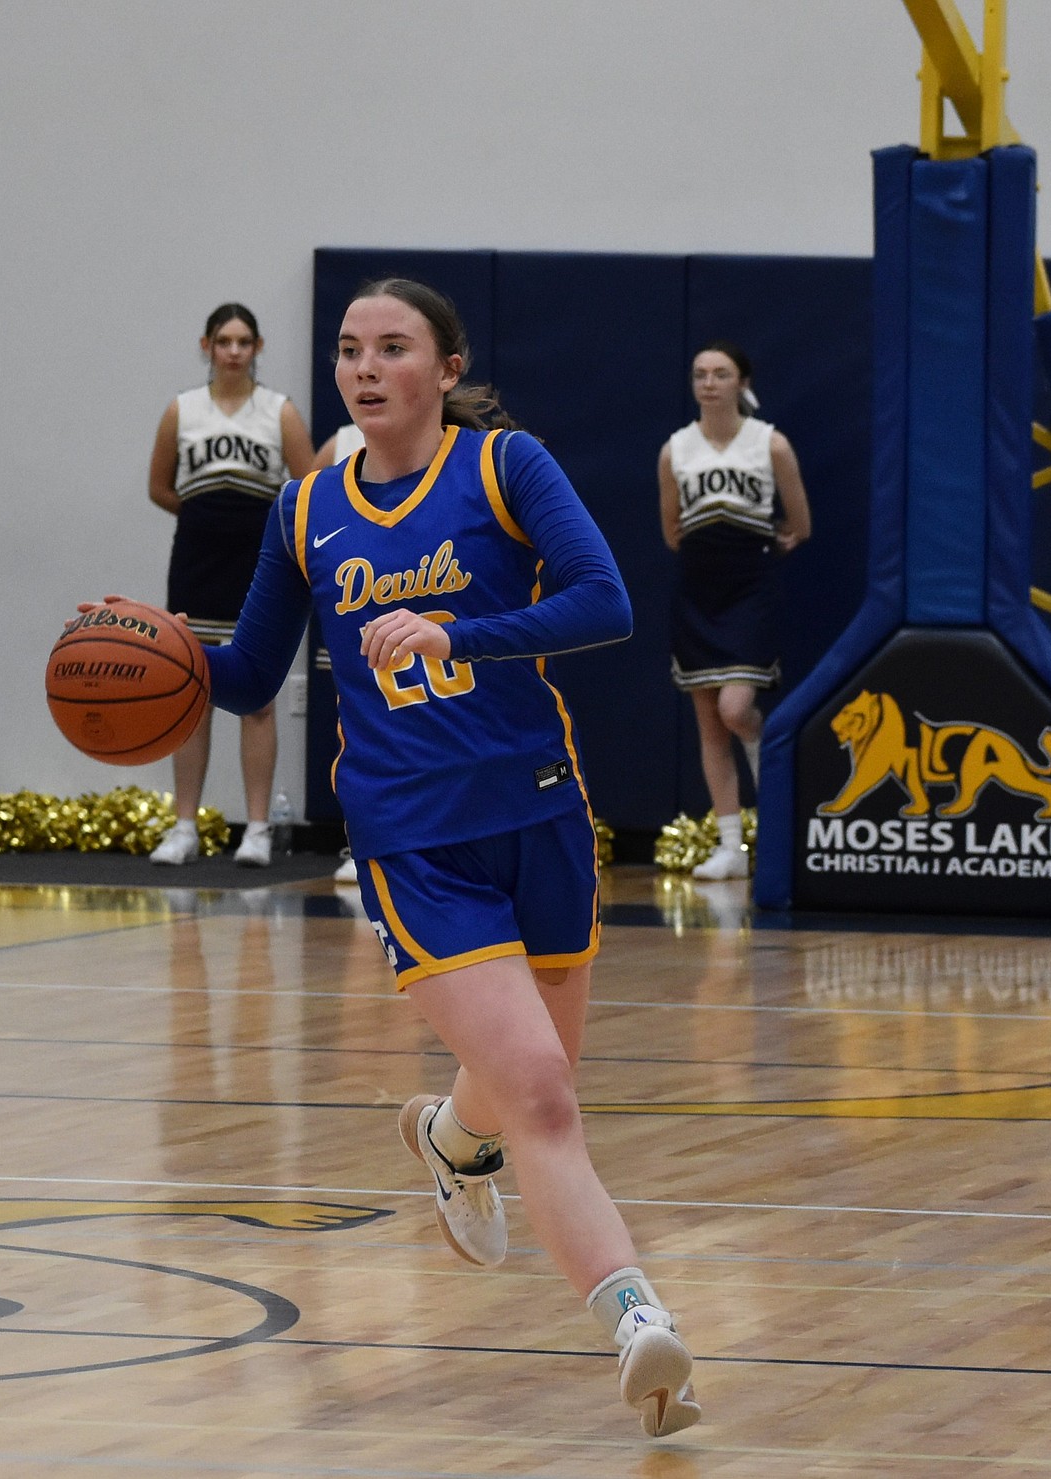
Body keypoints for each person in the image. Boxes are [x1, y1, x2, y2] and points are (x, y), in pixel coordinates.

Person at [84, 279, 701, 1436]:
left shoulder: (503, 467)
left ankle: (450, 1143)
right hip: (410, 839)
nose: (365, 369)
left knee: (527, 1084)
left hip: (538, 813)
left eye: (393, 348)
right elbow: (248, 674)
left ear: (447, 370)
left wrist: (458, 632)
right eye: (349, 350)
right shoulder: (305, 508)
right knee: (543, 1093)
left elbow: (604, 601)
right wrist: (152, 649)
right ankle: (639, 1324)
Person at [147, 302, 315, 867]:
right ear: (207, 346)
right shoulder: (182, 409)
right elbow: (159, 487)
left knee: (256, 695)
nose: (235, 351)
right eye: (225, 341)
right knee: (190, 690)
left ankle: (258, 829)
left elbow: (309, 488)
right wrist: (206, 517)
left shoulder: (279, 411)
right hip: (197, 561)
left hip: (258, 562)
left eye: (245, 341)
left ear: (258, 347)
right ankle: (185, 827)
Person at [659, 340, 811, 880]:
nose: (708, 383)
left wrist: (763, 542)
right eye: (700, 373)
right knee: (709, 725)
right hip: (698, 592)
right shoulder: (675, 450)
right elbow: (672, 531)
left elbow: (800, 524)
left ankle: (765, 754)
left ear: (741, 382)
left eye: (720, 374)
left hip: (750, 589)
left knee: (735, 709)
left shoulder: (770, 443)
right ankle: (731, 847)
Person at [311, 424, 366, 885]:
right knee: (354, 723)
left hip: (437, 625)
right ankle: (360, 839)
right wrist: (167, 642)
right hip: (355, 612)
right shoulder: (339, 445)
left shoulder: (479, 456)